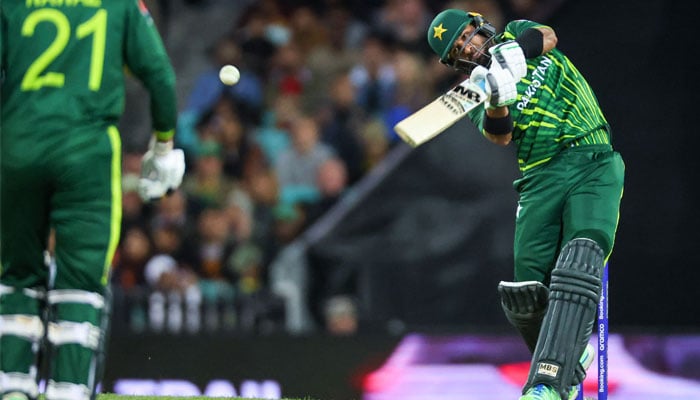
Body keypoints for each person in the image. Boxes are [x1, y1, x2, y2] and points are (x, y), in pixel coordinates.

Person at [426, 8, 624, 400]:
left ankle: (547, 383)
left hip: (590, 156)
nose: (470, 46)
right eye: (459, 49)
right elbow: (500, 135)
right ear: (454, 63)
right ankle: (570, 356)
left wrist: (514, 52)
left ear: (481, 24)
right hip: (539, 180)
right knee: (523, 295)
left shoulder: (518, 32)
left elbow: (547, 35)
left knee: (580, 255)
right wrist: (496, 96)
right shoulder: (474, 91)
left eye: (469, 35)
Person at [0, 2, 185, 400]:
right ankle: (67, 390)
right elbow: (160, 75)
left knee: (16, 273)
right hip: (85, 150)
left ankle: (12, 386)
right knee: (80, 281)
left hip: (16, 146)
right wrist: (164, 145)